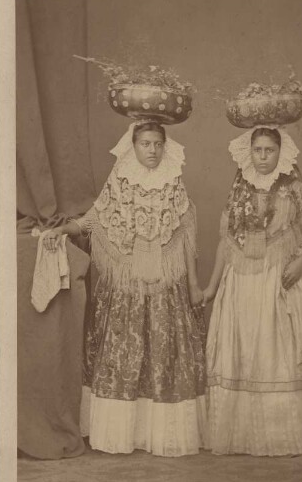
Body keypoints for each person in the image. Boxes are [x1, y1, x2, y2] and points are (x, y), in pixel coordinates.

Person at [43, 121, 207, 457]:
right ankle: (122, 433)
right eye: (145, 144)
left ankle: (161, 433)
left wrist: (192, 285)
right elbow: (95, 219)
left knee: (165, 352)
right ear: (133, 145)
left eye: (158, 144)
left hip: (165, 284)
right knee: (123, 352)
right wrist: (63, 230)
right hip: (126, 286)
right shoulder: (118, 180)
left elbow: (187, 237)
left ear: (166, 146)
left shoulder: (174, 183)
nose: (152, 150)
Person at [203, 126, 302, 456]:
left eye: (270, 150)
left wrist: (298, 266)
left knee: (279, 351)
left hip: (282, 274)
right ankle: (245, 433)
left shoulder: (293, 186)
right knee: (244, 351)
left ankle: (283, 432)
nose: (264, 157)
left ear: (280, 152)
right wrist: (212, 286)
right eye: (258, 150)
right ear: (249, 151)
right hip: (242, 279)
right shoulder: (239, 187)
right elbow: (226, 243)